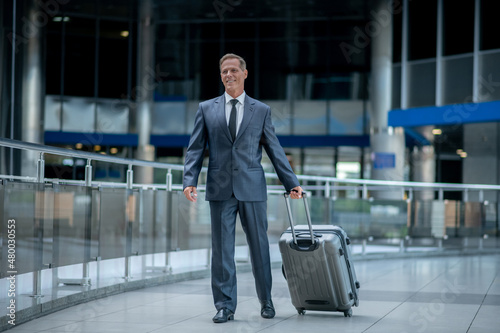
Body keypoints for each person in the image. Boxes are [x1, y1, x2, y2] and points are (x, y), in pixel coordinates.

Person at [183, 53, 303, 324]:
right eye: (224, 71)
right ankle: (225, 306)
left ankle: (267, 300)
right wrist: (189, 181)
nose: (229, 75)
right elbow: (195, 149)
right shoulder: (206, 108)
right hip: (219, 189)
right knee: (222, 251)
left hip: (252, 189)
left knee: (259, 247)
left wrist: (291, 182)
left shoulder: (260, 110)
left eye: (234, 70)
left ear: (245, 74)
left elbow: (274, 148)